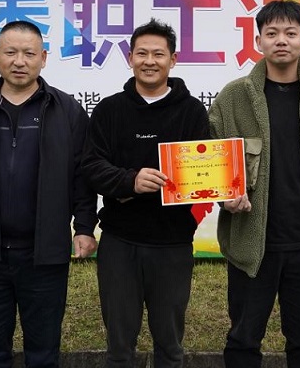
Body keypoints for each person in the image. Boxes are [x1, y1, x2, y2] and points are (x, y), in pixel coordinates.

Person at [0, 20, 98, 368]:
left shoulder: (67, 110)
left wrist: (84, 227)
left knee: (43, 351)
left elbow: (82, 177)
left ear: (44, 58)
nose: (19, 61)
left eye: (29, 53)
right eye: (10, 52)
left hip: (44, 254)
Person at [209, 0, 300, 368]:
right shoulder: (233, 98)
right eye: (271, 33)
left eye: (291, 33)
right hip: (251, 241)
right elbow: (212, 161)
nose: (281, 40)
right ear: (258, 41)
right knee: (243, 340)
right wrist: (225, 197)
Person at [82, 18, 210, 368]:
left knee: (169, 344)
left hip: (172, 243)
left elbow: (204, 172)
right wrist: (129, 181)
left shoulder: (192, 111)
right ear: (130, 58)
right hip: (120, 242)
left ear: (173, 59)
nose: (149, 61)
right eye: (141, 54)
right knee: (119, 347)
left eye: (158, 54)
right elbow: (91, 166)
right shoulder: (109, 109)